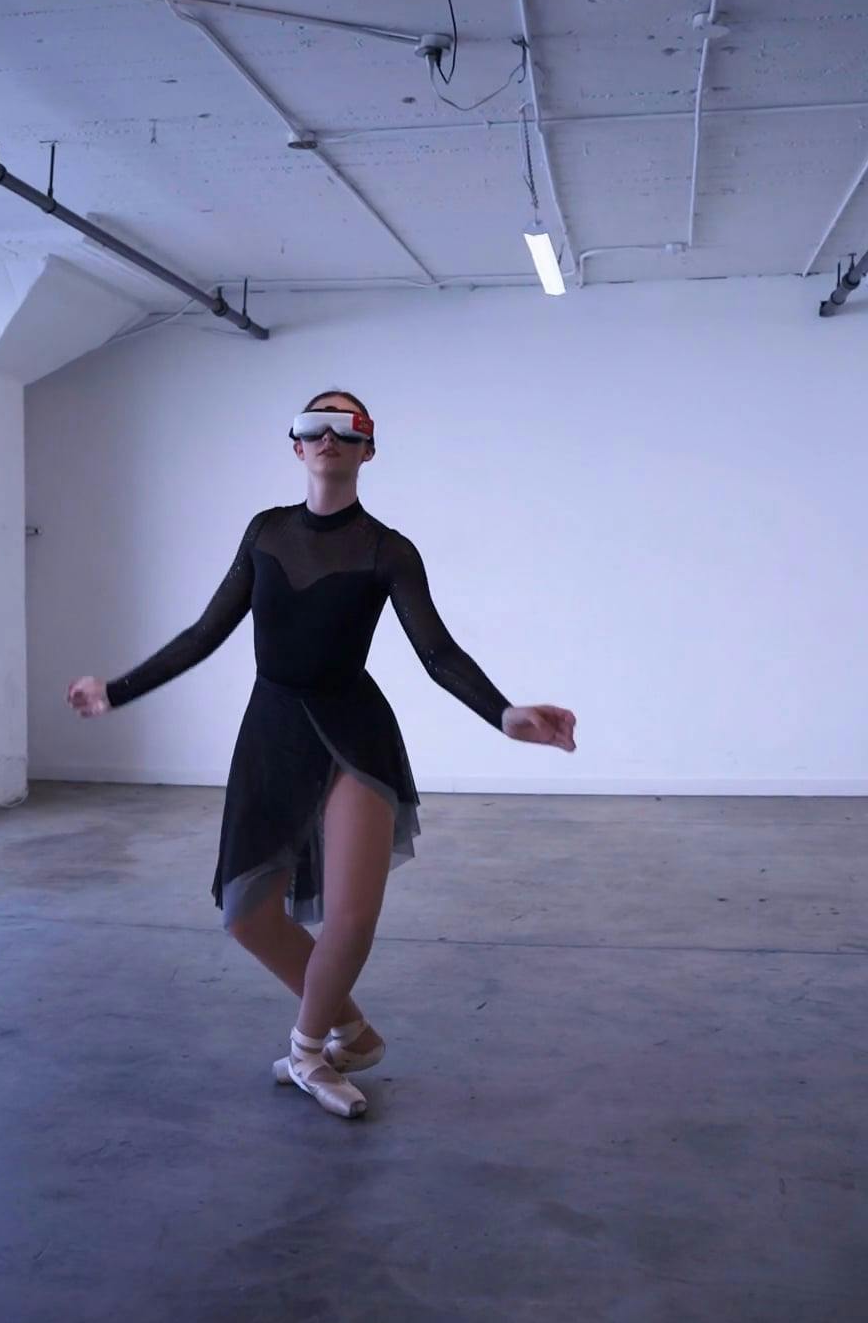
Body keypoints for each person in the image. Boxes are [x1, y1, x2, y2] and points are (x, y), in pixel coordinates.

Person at [67, 390, 576, 1121]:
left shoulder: (388, 550)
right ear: (296, 446)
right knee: (247, 914)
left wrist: (504, 714)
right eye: (315, 425)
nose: (329, 436)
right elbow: (205, 632)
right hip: (272, 731)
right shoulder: (265, 532)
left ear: (368, 449)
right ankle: (352, 1032)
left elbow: (437, 653)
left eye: (348, 427)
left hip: (354, 734)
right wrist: (116, 691)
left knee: (351, 913)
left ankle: (308, 1052)